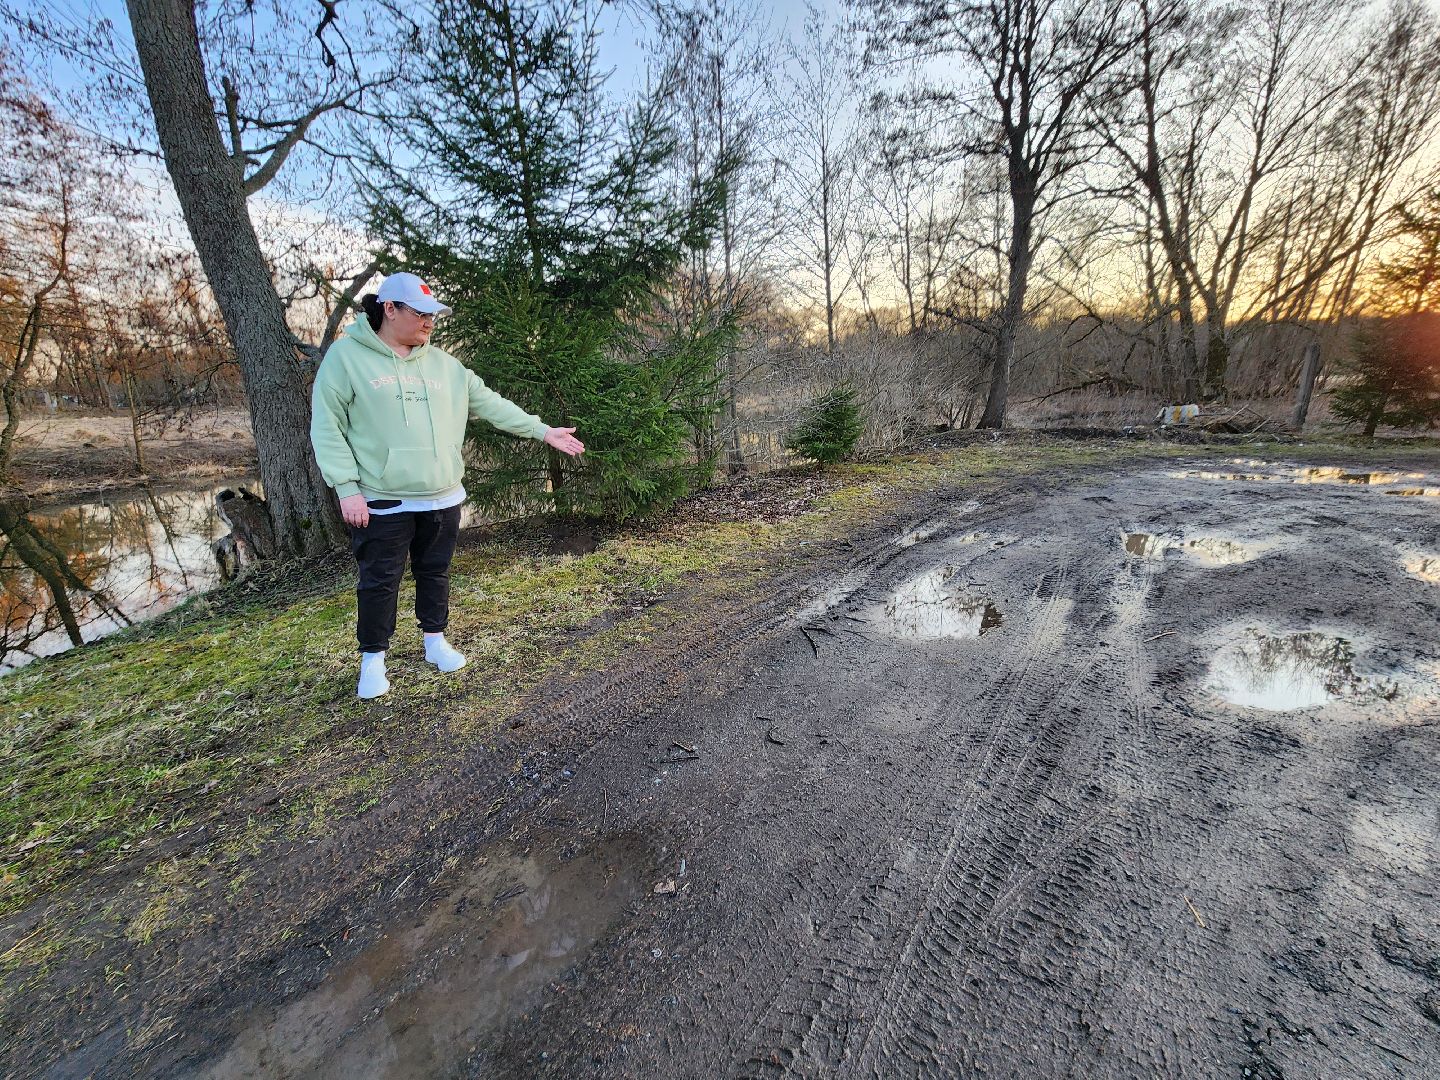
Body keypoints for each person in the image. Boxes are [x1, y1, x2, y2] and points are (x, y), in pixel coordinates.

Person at [310, 271, 584, 698]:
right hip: (383, 498)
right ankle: (373, 660)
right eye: (420, 313)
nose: (429, 322)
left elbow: (491, 403)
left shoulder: (445, 366)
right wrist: (346, 487)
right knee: (379, 581)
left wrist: (542, 430)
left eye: (433, 315)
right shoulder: (346, 359)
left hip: (441, 495)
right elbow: (327, 427)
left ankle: (435, 642)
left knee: (435, 572)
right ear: (389, 309)